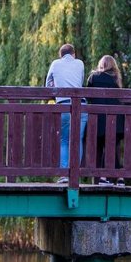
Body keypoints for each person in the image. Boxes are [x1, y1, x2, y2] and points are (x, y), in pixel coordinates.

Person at [45, 42, 85, 173]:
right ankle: (75, 173)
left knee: (64, 140)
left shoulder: (55, 64)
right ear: (74, 54)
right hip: (81, 105)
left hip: (64, 105)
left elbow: (48, 85)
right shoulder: (80, 63)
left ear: (60, 55)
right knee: (77, 139)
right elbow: (81, 81)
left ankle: (63, 174)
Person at [85, 55, 125, 183]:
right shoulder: (115, 78)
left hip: (99, 118)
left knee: (102, 146)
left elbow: (87, 95)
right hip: (115, 118)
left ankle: (102, 177)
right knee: (113, 147)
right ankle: (119, 177)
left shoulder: (94, 77)